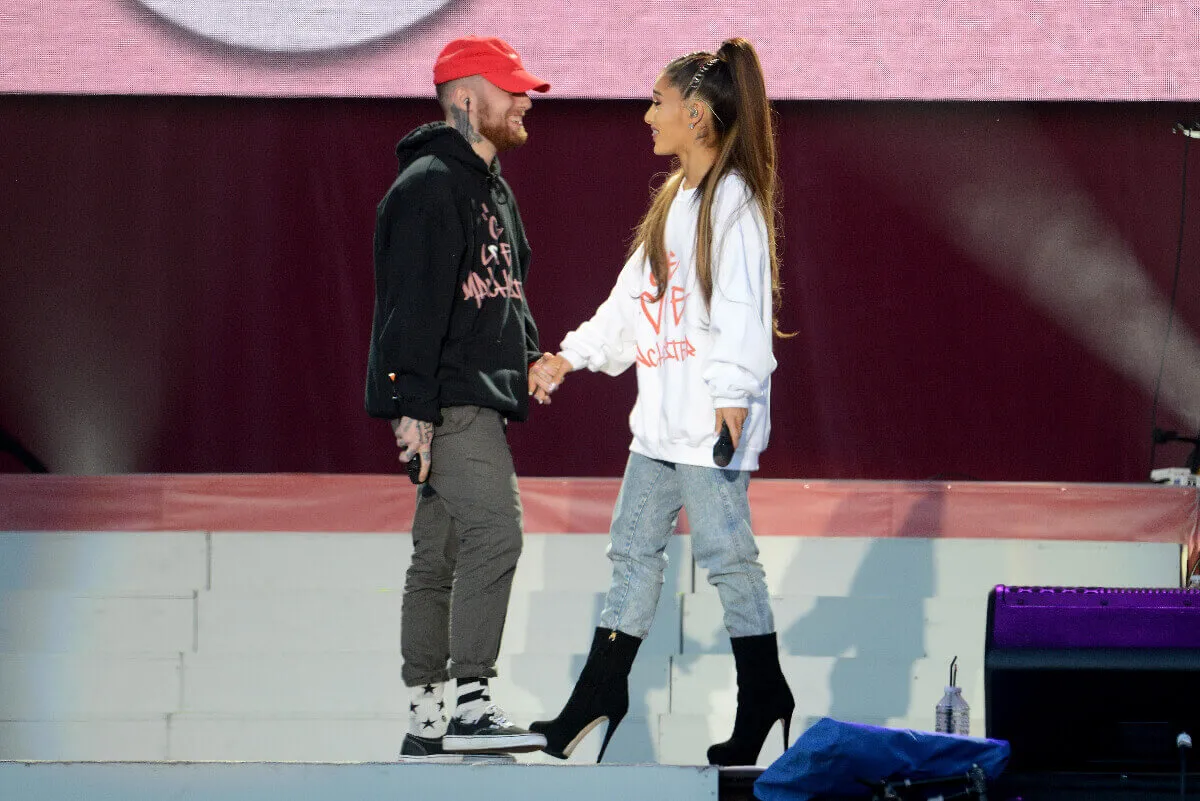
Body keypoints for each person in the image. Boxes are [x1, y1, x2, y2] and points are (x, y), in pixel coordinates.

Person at [526, 38, 793, 766]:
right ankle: (597, 695)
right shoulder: (674, 200)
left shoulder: (734, 200)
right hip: (658, 429)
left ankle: (764, 694)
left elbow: (744, 302)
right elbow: (630, 303)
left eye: (658, 102)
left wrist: (735, 393)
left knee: (727, 557)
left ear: (698, 116)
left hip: (707, 422)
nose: (647, 115)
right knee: (631, 554)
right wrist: (571, 355)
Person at [364, 35, 552, 761]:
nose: (525, 101)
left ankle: (428, 718)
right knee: (496, 532)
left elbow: (509, 284)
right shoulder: (427, 188)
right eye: (513, 90)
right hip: (447, 399)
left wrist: (531, 355)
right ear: (469, 100)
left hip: (475, 393)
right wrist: (410, 406)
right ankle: (470, 702)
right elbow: (407, 305)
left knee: (438, 553)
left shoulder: (491, 186)